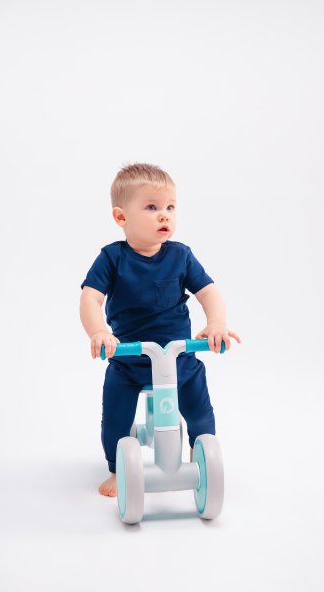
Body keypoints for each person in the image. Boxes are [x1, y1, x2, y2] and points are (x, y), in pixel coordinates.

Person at [79, 163, 241, 497]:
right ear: (121, 217)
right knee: (115, 416)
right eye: (152, 207)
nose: (164, 215)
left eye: (170, 207)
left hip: (179, 360)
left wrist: (216, 323)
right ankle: (117, 467)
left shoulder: (181, 255)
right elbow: (90, 298)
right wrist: (99, 332)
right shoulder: (112, 258)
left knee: (200, 411)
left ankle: (201, 455)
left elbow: (208, 292)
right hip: (129, 361)